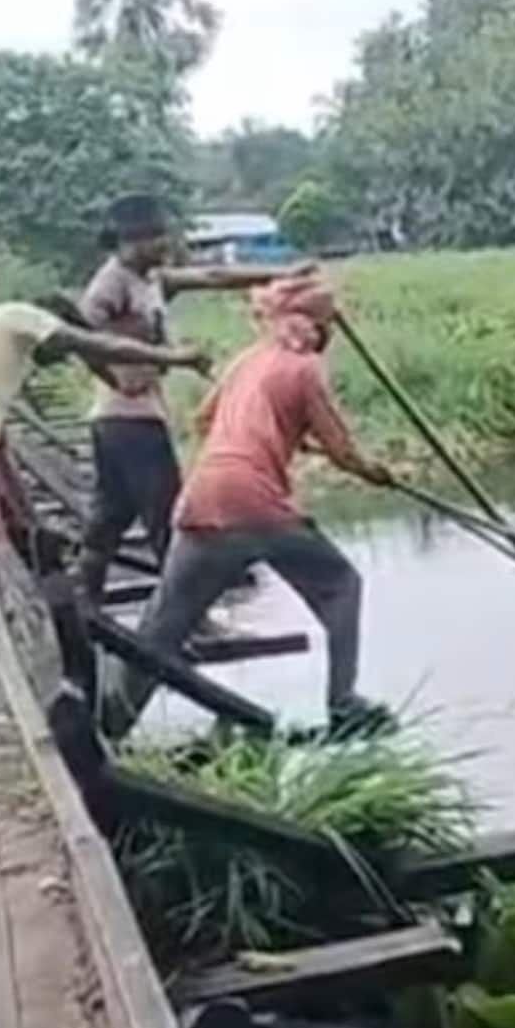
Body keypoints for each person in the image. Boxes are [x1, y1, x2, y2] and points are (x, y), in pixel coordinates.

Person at [0, 296, 212, 727]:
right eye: (57, 350)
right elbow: (100, 346)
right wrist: (174, 356)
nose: (54, 359)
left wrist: (31, 522)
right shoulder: (17, 316)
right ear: (50, 324)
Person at [102, 276, 396, 740]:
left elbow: (203, 418)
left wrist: (282, 437)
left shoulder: (247, 360)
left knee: (162, 629)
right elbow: (341, 449)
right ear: (319, 328)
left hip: (202, 500)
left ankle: (111, 727)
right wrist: (373, 472)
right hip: (256, 503)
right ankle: (343, 703)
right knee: (341, 585)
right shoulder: (305, 368)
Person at [77, 193, 316, 608]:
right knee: (168, 517)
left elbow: (214, 277)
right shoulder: (109, 284)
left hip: (127, 417)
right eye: (157, 238)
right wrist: (117, 377)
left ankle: (86, 599)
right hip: (128, 418)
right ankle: (180, 617)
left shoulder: (151, 279)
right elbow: (81, 336)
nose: (166, 244)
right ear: (131, 241)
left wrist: (282, 273)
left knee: (111, 515)